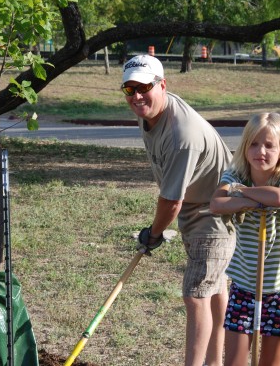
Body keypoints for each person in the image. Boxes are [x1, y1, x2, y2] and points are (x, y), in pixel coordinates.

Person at [121, 54, 236, 366]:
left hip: (214, 215)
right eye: (129, 90)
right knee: (213, 290)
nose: (137, 96)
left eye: (144, 87)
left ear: (163, 85)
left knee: (196, 294)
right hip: (197, 209)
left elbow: (171, 201)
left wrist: (153, 234)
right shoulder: (152, 110)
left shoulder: (181, 135)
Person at [209, 112, 280, 366]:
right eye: (253, 143)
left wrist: (243, 195)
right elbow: (217, 203)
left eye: (269, 145)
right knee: (235, 361)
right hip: (244, 284)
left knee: (269, 362)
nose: (260, 151)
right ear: (244, 147)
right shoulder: (235, 175)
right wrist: (247, 196)